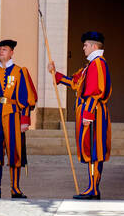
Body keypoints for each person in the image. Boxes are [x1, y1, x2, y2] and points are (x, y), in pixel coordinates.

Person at [48, 30, 112, 199]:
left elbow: (96, 92)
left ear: (93, 46)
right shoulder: (89, 66)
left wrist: (88, 114)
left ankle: (93, 188)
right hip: (89, 112)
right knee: (89, 150)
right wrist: (56, 74)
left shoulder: (97, 64)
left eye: (85, 45)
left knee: (94, 151)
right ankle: (92, 187)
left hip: (94, 112)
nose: (83, 48)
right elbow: (75, 82)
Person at [0, 39, 37, 199]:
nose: (1, 52)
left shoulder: (20, 72)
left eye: (4, 49)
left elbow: (25, 97)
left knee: (15, 150)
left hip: (14, 115)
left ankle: (15, 188)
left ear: (11, 52)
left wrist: (25, 120)